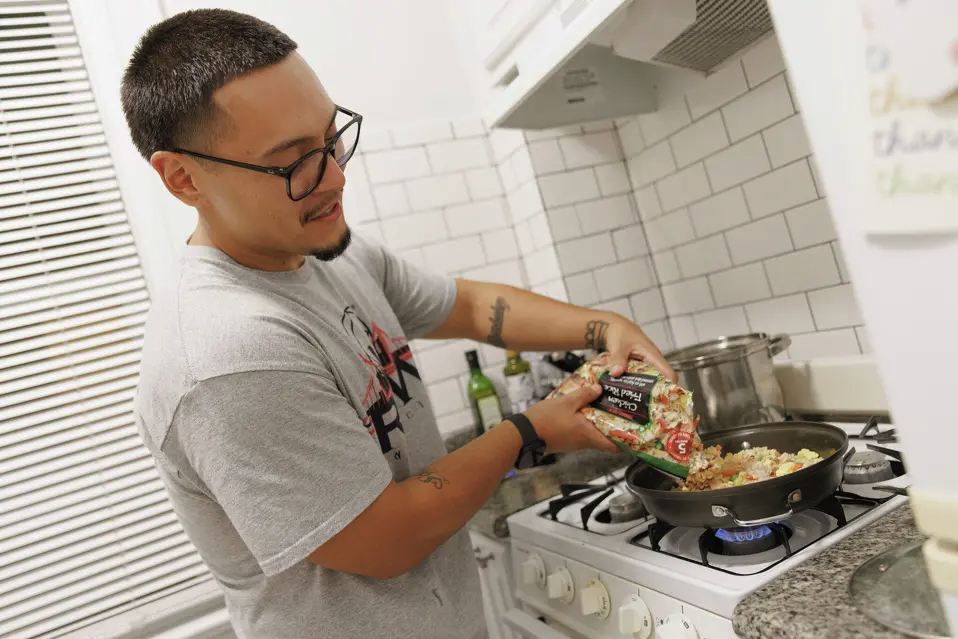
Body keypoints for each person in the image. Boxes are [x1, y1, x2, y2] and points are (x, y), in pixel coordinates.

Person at [122, 8, 676, 639]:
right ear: (183, 177)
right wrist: (531, 429)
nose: (335, 175)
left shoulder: (328, 252)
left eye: (332, 137)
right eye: (292, 162)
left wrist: (602, 328)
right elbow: (384, 540)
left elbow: (465, 307)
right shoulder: (227, 353)